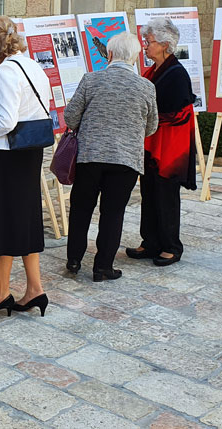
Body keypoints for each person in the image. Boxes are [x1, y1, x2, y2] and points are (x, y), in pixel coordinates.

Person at [63, 33, 158, 281]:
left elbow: (71, 117)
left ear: (110, 54)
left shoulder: (91, 80)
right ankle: (103, 267)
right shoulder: (146, 87)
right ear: (135, 57)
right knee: (113, 213)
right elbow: (151, 126)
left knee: (81, 209)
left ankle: (74, 260)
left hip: (90, 156)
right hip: (126, 160)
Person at [0, 16, 51, 317]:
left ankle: (0, 293)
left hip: (8, 154)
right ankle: (34, 288)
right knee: (26, 218)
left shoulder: (7, 71)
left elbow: (5, 121)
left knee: (5, 222)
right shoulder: (32, 65)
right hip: (28, 152)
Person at [126, 17, 197, 266]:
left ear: (165, 45)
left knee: (166, 194)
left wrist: (145, 115)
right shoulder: (152, 70)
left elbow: (179, 113)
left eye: (149, 41)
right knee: (148, 191)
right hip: (150, 143)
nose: (145, 46)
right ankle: (151, 242)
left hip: (169, 147)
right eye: (146, 41)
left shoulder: (177, 74)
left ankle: (171, 246)